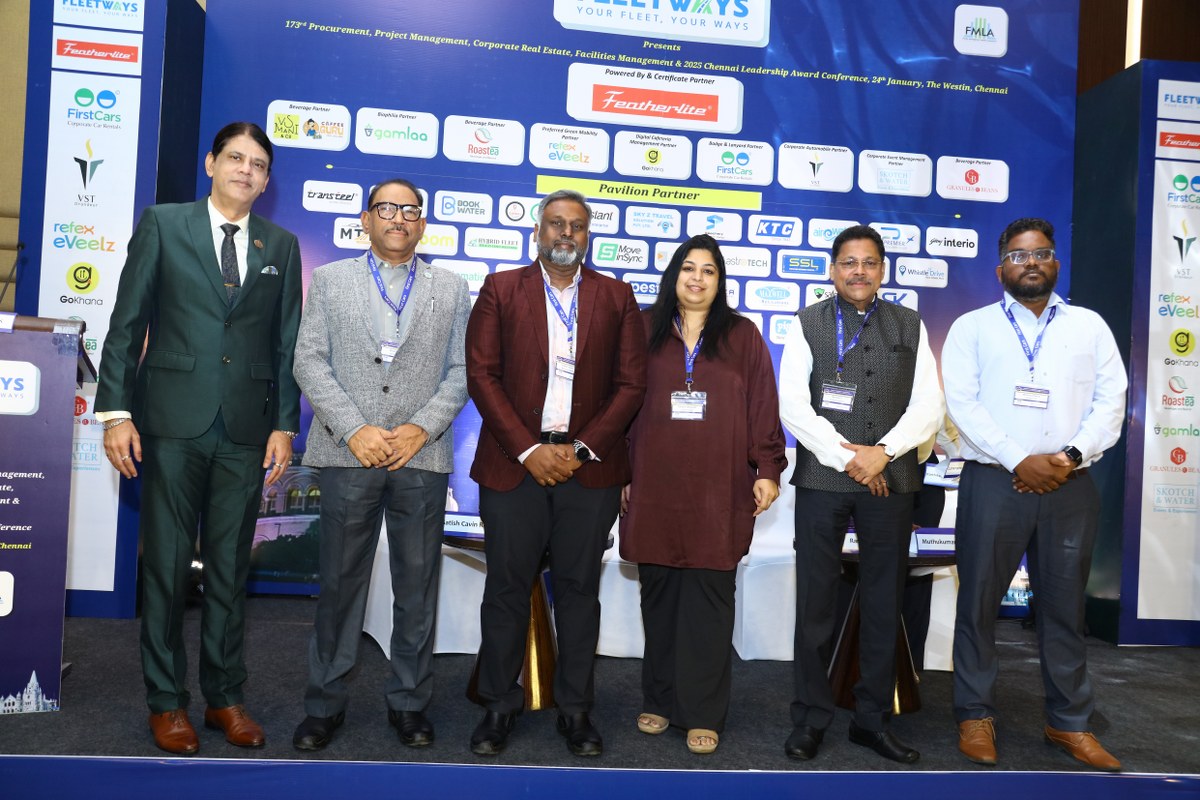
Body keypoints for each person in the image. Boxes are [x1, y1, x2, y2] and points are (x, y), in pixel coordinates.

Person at [95, 122, 302, 755]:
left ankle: (224, 697)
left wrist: (284, 424)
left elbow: (286, 343)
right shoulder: (164, 224)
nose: (246, 170)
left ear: (266, 181)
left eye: (258, 164)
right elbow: (127, 322)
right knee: (164, 568)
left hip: (246, 430)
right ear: (211, 163)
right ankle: (166, 702)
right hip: (169, 424)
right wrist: (115, 414)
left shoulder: (281, 245)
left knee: (230, 570)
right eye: (235, 158)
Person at [290, 179, 471, 752]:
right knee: (340, 586)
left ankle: (410, 703)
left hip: (422, 455)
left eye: (410, 210)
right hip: (349, 452)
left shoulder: (451, 287)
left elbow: (464, 369)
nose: (399, 218)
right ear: (366, 219)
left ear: (422, 224)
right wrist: (355, 429)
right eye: (387, 208)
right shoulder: (330, 280)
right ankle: (324, 705)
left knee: (417, 588)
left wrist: (421, 427)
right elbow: (308, 360)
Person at [465, 189, 646, 757]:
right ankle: (498, 704)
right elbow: (482, 375)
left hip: (588, 471)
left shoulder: (616, 296)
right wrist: (528, 450)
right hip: (513, 466)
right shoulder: (500, 289)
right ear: (537, 232)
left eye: (577, 226)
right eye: (556, 224)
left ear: (588, 236)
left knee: (579, 592)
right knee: (506, 589)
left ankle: (576, 710)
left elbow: (631, 385)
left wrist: (582, 450)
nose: (566, 234)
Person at [941, 218, 1126, 771]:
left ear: (1056, 263)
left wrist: (1067, 458)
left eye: (1041, 253)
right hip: (995, 482)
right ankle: (975, 714)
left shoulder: (1089, 326)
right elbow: (963, 405)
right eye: (1019, 256)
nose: (1031, 263)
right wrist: (1019, 460)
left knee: (1065, 609)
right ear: (1000, 268)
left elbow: (1112, 401)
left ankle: (1069, 722)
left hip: (1070, 485)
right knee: (978, 604)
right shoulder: (973, 328)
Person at [778, 224, 943, 764]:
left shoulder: (910, 324)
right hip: (823, 480)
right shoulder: (807, 323)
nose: (859, 271)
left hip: (891, 480)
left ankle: (871, 720)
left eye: (869, 262)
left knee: (882, 602)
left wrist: (884, 453)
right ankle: (810, 718)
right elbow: (793, 406)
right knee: (815, 603)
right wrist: (849, 458)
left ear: (882, 270)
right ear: (832, 269)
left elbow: (928, 406)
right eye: (848, 262)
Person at [619, 234, 786, 755]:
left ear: (720, 280)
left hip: (719, 487)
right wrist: (619, 469)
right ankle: (660, 699)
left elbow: (763, 405)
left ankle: (703, 711)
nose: (697, 278)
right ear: (674, 274)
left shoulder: (741, 335)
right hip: (653, 483)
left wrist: (768, 467)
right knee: (659, 596)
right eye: (688, 268)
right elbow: (617, 402)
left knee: (710, 602)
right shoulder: (642, 328)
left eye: (708, 270)